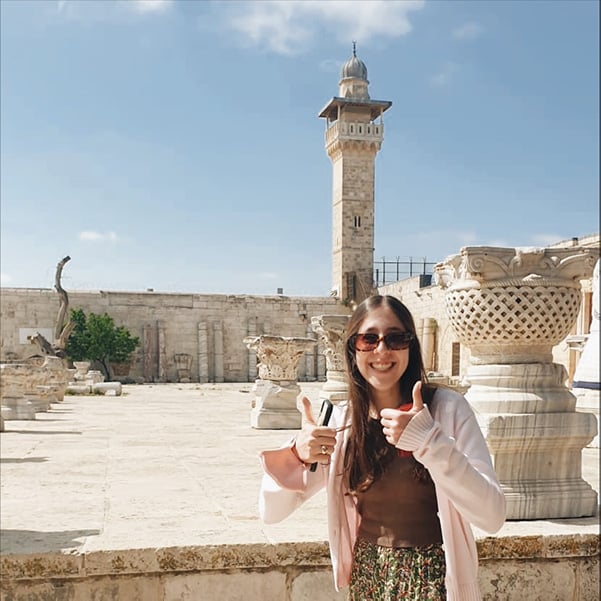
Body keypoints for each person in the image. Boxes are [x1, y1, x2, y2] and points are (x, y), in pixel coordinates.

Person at [259, 294, 506, 600]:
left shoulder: (447, 410)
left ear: (410, 346)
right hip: (369, 578)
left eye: (396, 338)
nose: (382, 350)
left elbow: (492, 516)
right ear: (353, 350)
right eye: (368, 339)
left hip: (432, 577)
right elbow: (270, 512)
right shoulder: (342, 422)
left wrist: (429, 441)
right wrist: (298, 454)